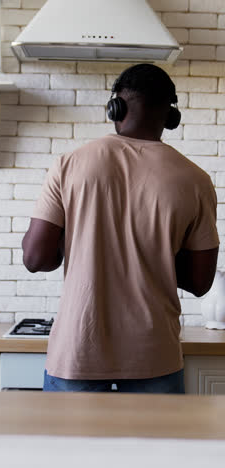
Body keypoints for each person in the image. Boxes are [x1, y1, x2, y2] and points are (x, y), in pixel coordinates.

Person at [22, 64, 219, 394]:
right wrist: (156, 249)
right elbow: (200, 282)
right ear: (171, 116)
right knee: (155, 448)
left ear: (117, 107)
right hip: (154, 355)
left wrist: (78, 236)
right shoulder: (195, 180)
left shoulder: (69, 164)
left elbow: (35, 259)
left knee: (68, 448)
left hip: (78, 352)